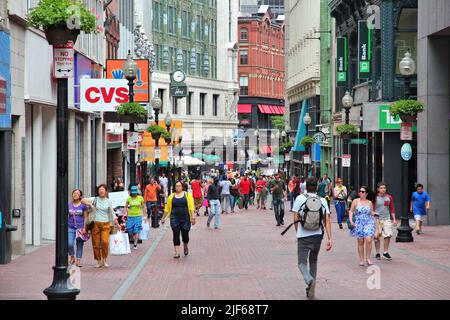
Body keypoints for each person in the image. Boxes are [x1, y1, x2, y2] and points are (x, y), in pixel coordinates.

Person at [291, 177, 332, 299]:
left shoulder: (300, 198)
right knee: (313, 261)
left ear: (306, 186)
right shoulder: (323, 200)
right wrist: (330, 239)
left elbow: (295, 219)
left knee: (301, 263)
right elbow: (327, 220)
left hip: (303, 236)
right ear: (317, 187)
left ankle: (309, 280)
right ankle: (311, 288)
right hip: (317, 235)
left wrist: (298, 233)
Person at [81, 184, 118, 268]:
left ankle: (104, 260)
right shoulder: (95, 199)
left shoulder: (108, 201)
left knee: (105, 242)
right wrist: (90, 204)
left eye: (103, 189)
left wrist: (116, 223)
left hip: (106, 224)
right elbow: (82, 200)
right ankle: (98, 261)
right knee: (96, 243)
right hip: (95, 223)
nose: (101, 191)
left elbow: (112, 212)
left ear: (106, 191)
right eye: (99, 189)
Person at [161, 181, 196, 258]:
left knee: (185, 235)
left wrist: (193, 217)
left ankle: (185, 245)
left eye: (179, 186)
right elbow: (167, 209)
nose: (178, 187)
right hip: (174, 218)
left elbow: (191, 207)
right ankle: (177, 252)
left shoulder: (187, 195)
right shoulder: (171, 197)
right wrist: (163, 218)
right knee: (176, 234)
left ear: (182, 187)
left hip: (185, 218)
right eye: (176, 186)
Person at [348, 186, 376, 267]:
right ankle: (361, 259)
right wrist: (351, 220)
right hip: (359, 222)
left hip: (368, 222)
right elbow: (351, 211)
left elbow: (371, 212)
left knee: (369, 239)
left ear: (366, 193)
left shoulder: (369, 202)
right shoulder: (355, 201)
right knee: (360, 241)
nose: (360, 193)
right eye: (360, 191)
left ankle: (368, 258)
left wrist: (375, 214)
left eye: (363, 192)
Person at [374, 182, 397, 261]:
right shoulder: (375, 198)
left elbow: (392, 209)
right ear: (378, 189)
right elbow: (372, 208)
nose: (383, 189)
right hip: (377, 219)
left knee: (388, 234)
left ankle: (385, 252)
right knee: (377, 236)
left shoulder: (389, 197)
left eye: (384, 188)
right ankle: (377, 252)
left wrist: (394, 219)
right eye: (381, 188)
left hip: (387, 219)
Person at [68, 189, 89, 267]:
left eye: (77, 193)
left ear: (80, 195)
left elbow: (86, 217)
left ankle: (78, 260)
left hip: (80, 228)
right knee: (69, 243)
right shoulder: (69, 204)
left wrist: (85, 228)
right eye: (74, 193)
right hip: (70, 227)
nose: (75, 194)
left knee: (79, 244)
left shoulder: (83, 205)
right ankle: (72, 256)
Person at [124, 185, 146, 250]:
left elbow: (143, 207)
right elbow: (125, 206)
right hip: (130, 216)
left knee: (136, 229)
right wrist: (124, 213)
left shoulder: (140, 198)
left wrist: (145, 216)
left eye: (135, 193)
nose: (134, 194)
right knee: (129, 229)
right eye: (133, 193)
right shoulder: (128, 198)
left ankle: (135, 243)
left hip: (138, 216)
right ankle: (133, 238)